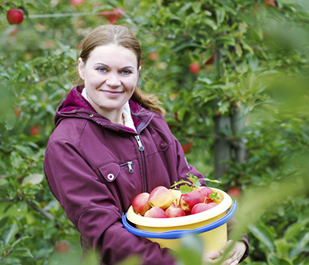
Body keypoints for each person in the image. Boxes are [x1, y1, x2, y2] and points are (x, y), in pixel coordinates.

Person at [44, 24, 249, 265]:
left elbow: (191, 186)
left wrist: (234, 236)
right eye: (102, 69)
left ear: (138, 72)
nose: (113, 81)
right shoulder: (67, 145)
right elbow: (104, 233)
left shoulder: (151, 122)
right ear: (81, 67)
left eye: (125, 72)